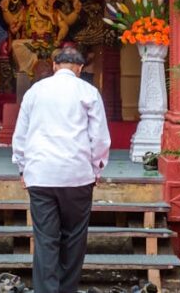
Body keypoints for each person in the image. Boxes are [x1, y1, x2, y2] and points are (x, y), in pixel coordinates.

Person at [11, 46, 111, 293]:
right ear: (79, 69)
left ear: (55, 66)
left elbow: (20, 134)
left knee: (46, 240)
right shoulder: (88, 91)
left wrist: (22, 167)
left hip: (41, 175)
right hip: (77, 175)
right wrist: (96, 167)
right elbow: (99, 138)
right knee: (74, 238)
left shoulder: (35, 91)